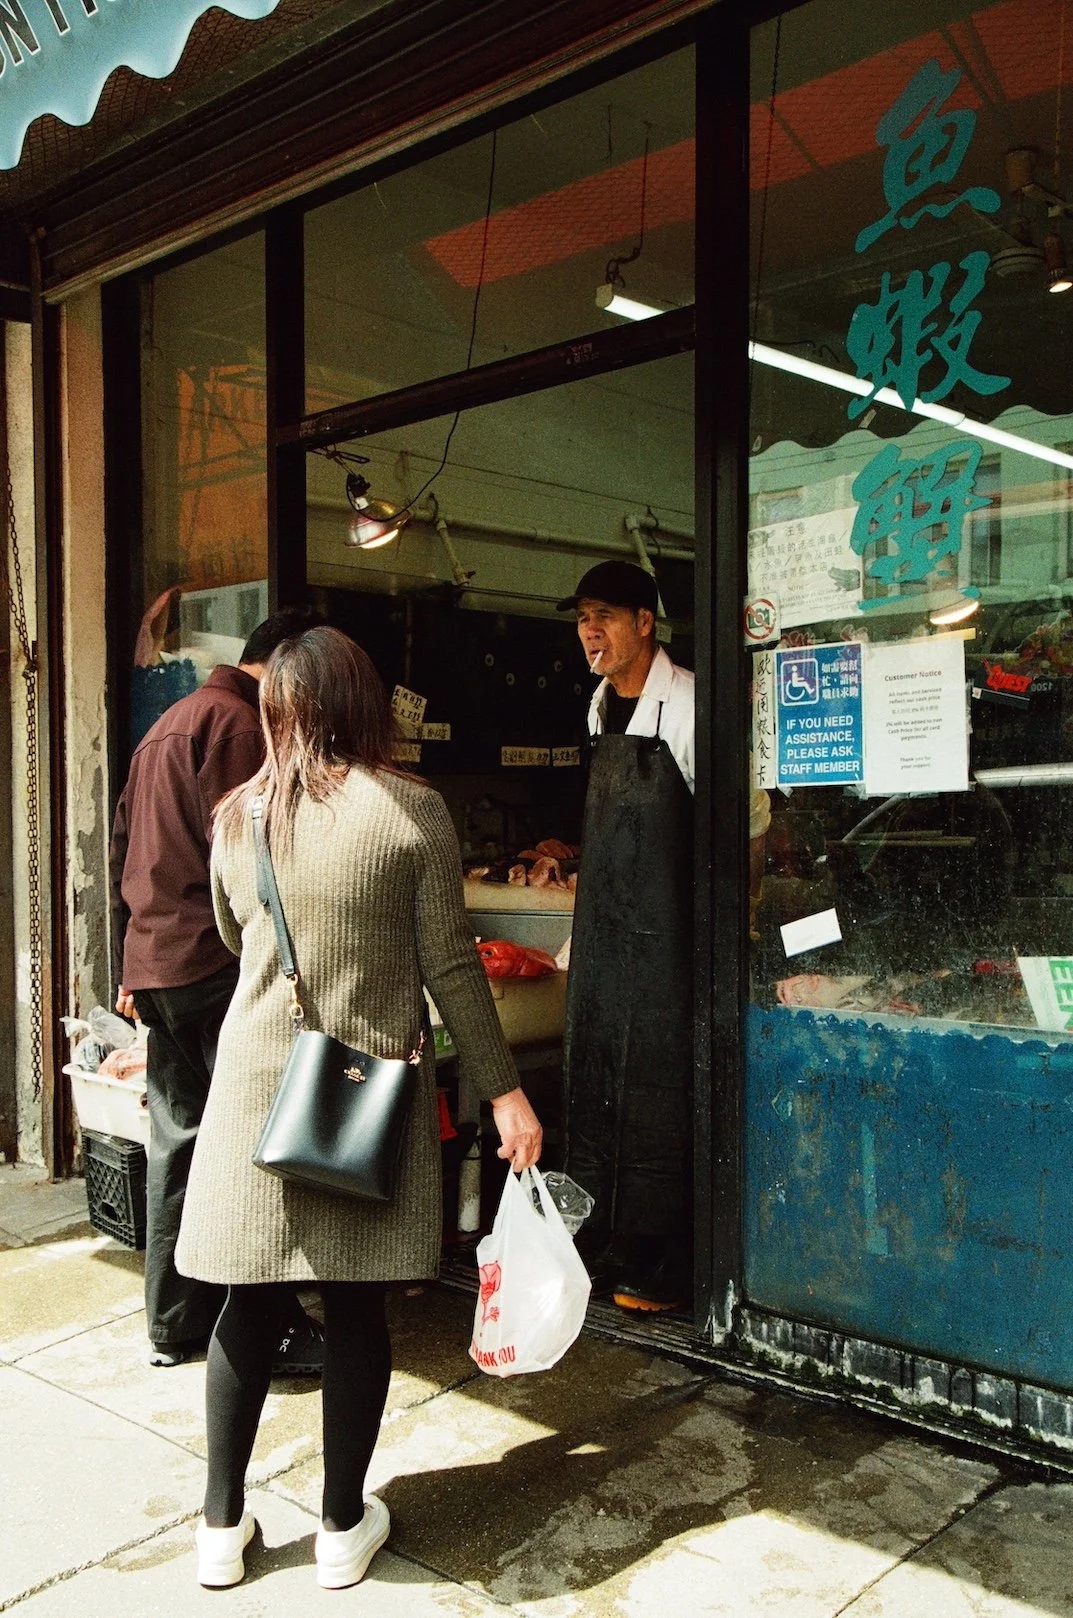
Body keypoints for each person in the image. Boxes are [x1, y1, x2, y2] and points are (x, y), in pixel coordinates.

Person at [174, 625, 542, 1591]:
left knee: (243, 1307)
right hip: (358, 1094)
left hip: (258, 1091)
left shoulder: (236, 818)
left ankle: (219, 1529)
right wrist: (504, 1090)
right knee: (354, 1307)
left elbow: (226, 928)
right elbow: (451, 965)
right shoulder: (411, 812)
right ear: (363, 706)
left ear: (278, 710)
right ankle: (341, 1526)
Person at [109, 607, 324, 1372]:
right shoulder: (237, 726)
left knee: (180, 1143)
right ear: (285, 666)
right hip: (212, 963)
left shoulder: (168, 723)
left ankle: (174, 1323)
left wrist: (127, 965)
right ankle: (272, 1325)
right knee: (253, 1152)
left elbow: (123, 849)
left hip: (156, 963)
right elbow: (258, 867)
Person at [557, 559, 696, 1313]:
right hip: (610, 931)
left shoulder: (688, 704)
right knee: (603, 1075)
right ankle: (611, 1236)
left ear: (645, 622)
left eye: (604, 616)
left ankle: (669, 1252)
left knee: (659, 1089)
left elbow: (737, 824)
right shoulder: (597, 705)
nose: (590, 632)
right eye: (582, 617)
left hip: (672, 933)